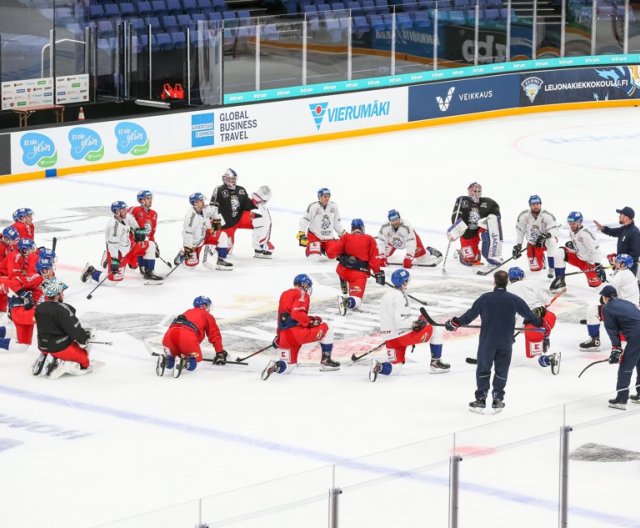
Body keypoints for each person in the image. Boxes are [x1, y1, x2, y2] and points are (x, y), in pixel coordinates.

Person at [445, 270, 543, 412]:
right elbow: (530, 315)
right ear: (507, 281)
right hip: (506, 341)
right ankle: (498, 399)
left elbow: (469, 316)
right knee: (501, 370)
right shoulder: (514, 299)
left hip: (488, 341)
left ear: (494, 282)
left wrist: (455, 323)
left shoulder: (485, 298)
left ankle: (481, 399)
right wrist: (541, 322)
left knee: (484, 369)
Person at [370, 269, 449, 382]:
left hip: (389, 338)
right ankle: (436, 363)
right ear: (404, 282)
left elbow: (394, 318)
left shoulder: (387, 294)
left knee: (396, 368)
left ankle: (379, 366)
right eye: (407, 280)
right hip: (402, 336)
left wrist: (415, 323)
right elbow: (401, 322)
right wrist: (417, 323)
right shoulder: (401, 297)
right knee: (436, 329)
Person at [261, 274, 339, 380]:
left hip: (285, 336)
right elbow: (296, 314)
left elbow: (281, 317)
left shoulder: (285, 294)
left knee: (288, 366)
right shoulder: (302, 293)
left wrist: (278, 336)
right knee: (328, 327)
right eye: (307, 285)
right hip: (297, 333)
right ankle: (326, 361)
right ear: (304, 284)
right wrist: (311, 321)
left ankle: (275, 366)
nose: (308, 288)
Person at [81, 200, 162, 284]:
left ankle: (149, 272)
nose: (126, 210)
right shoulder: (114, 226)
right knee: (112, 282)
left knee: (151, 245)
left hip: (129, 246)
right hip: (118, 252)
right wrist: (115, 259)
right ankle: (92, 271)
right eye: (123, 209)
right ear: (117, 212)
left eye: (125, 208)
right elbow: (113, 245)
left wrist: (138, 231)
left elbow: (133, 223)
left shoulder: (126, 216)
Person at [33, 277, 98, 379]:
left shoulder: (39, 308)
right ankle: (63, 362)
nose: (63, 294)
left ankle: (49, 356)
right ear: (57, 294)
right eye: (62, 292)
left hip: (42, 345)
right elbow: (75, 330)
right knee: (84, 358)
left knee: (56, 338)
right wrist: (83, 341)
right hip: (60, 348)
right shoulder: (63, 309)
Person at [579, 254, 639, 351]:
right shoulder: (627, 274)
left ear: (623, 265)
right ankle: (594, 321)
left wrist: (601, 277)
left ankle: (594, 340)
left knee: (592, 310)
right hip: (630, 314)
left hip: (623, 315)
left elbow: (607, 293)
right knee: (602, 308)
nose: (615, 263)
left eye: (618, 262)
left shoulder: (622, 274)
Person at [209, 169, 273, 258]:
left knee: (262, 220)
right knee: (225, 252)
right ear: (224, 179)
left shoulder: (241, 190)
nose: (232, 181)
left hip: (240, 218)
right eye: (229, 179)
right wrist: (215, 230)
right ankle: (216, 245)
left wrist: (256, 201)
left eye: (233, 179)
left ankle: (259, 247)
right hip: (226, 225)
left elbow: (246, 205)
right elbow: (213, 209)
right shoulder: (219, 190)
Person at [325, 218, 384, 315]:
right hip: (358, 275)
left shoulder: (345, 237)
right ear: (362, 228)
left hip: (343, 270)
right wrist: (378, 273)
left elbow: (330, 253)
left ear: (352, 228)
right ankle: (346, 302)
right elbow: (374, 260)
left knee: (341, 267)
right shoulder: (370, 239)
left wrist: (339, 253)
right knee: (356, 301)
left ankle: (343, 280)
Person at [157, 296, 228, 375]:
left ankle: (166, 361)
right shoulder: (207, 315)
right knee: (193, 363)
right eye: (208, 306)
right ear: (204, 306)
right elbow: (214, 335)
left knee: (172, 360)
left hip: (169, 336)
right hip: (187, 337)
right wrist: (220, 353)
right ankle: (183, 363)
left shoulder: (187, 312)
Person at [506, 267, 559, 373]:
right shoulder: (531, 283)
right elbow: (547, 301)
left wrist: (508, 335)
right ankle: (545, 337)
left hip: (532, 328)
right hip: (548, 319)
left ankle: (548, 358)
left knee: (533, 358)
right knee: (546, 322)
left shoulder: (507, 291)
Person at [598, 285, 640, 410]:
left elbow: (612, 330)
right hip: (637, 334)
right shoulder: (627, 303)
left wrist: (616, 349)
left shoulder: (607, 308)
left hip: (636, 336)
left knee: (625, 367)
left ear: (605, 297)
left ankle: (621, 399)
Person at [175, 192, 232, 271]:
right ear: (195, 203)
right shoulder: (190, 218)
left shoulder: (206, 208)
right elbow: (187, 234)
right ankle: (181, 256)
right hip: (196, 242)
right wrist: (188, 249)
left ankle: (220, 261)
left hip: (207, 234)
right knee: (191, 265)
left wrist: (216, 225)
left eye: (203, 200)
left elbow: (215, 210)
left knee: (223, 235)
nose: (203, 202)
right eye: (200, 200)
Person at [550, 211, 606, 292]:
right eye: (570, 223)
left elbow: (596, 251)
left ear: (579, 222)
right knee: (559, 252)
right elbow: (579, 246)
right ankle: (560, 281)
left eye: (573, 223)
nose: (571, 225)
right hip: (578, 258)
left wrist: (598, 266)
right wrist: (573, 246)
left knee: (595, 286)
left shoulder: (585, 234)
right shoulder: (572, 230)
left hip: (589, 264)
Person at [449, 182, 502, 266]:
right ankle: (461, 253)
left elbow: (496, 211)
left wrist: (494, 216)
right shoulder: (463, 200)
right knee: (471, 259)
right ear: (469, 192)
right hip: (468, 233)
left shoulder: (488, 202)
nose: (477, 193)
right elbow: (456, 216)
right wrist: (456, 229)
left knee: (491, 224)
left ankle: (491, 255)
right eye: (474, 191)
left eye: (478, 191)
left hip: (480, 229)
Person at [513, 195, 562, 279]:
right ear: (530, 205)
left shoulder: (547, 215)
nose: (536, 206)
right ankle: (541, 258)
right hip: (533, 242)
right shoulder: (523, 216)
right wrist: (518, 246)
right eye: (533, 204)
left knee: (551, 241)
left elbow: (555, 231)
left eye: (537, 204)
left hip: (546, 241)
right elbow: (520, 231)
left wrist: (546, 236)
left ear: (540, 204)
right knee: (535, 269)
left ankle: (551, 267)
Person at [376, 209, 443, 269]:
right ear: (389, 221)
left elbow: (410, 242)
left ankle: (429, 251)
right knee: (385, 254)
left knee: (422, 259)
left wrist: (409, 257)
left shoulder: (406, 226)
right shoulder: (385, 227)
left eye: (396, 219)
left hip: (410, 240)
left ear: (399, 218)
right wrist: (381, 255)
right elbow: (381, 241)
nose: (395, 222)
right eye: (393, 220)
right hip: (393, 242)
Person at [297, 188, 346, 261]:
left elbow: (336, 223)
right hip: (315, 238)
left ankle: (323, 249)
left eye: (328, 196)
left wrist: (343, 234)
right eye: (325, 196)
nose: (327, 198)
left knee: (333, 255)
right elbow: (305, 219)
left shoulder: (333, 207)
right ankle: (311, 248)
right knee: (314, 257)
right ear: (320, 197)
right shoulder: (313, 207)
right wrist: (301, 234)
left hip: (328, 239)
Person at [594, 206, 640, 277]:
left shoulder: (634, 232)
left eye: (621, 215)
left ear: (626, 217)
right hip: (620, 267)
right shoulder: (624, 229)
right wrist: (603, 228)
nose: (619, 217)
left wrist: (622, 262)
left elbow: (635, 254)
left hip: (628, 271)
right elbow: (613, 232)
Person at [129, 190, 163, 280]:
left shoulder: (154, 214)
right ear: (141, 200)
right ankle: (111, 256)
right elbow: (125, 222)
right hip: (131, 242)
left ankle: (149, 271)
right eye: (148, 198)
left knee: (149, 246)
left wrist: (154, 244)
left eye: (151, 198)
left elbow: (151, 233)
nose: (150, 200)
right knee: (132, 267)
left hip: (143, 242)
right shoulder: (135, 210)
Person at [0, 226, 20, 319]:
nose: (14, 242)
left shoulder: (7, 245)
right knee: (14, 287)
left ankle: (6, 310)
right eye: (13, 240)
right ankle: (12, 311)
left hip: (3, 275)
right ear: (7, 238)